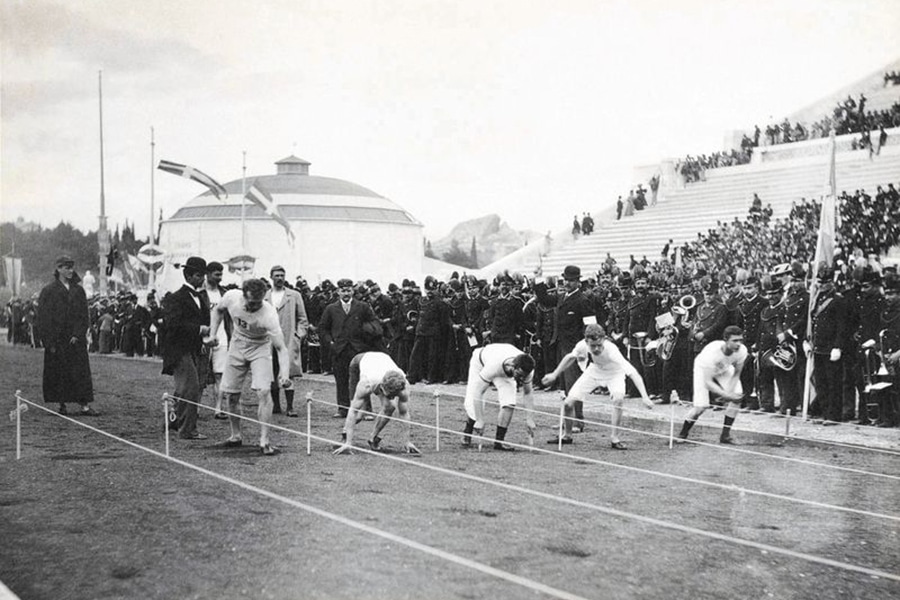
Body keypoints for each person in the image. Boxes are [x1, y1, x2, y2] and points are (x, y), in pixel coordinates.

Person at [206, 278, 291, 456]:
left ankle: (264, 440)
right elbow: (218, 311)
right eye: (251, 303)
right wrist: (213, 334)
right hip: (237, 344)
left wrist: (284, 375)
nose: (253, 307)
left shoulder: (268, 315)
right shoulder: (231, 297)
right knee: (231, 393)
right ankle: (235, 435)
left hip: (260, 347)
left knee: (264, 391)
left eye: (257, 303)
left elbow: (281, 348)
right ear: (243, 296)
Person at [543, 324, 653, 449]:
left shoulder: (612, 350)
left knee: (618, 399)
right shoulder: (581, 345)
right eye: (592, 346)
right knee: (568, 403)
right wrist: (554, 374)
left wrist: (645, 397)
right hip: (594, 371)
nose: (596, 349)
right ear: (586, 341)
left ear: (604, 339)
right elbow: (570, 357)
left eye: (599, 345)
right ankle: (567, 435)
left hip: (615, 374)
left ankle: (614, 438)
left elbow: (634, 374)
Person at [36, 255, 97, 416]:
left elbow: (84, 315)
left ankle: (84, 405)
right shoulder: (49, 291)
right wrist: (50, 341)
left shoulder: (78, 290)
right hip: (58, 340)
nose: (70, 271)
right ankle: (62, 404)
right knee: (59, 372)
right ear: (58, 269)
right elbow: (43, 317)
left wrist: (78, 334)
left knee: (80, 372)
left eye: (71, 268)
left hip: (76, 340)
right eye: (66, 268)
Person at [317, 278, 383, 418]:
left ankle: (366, 411)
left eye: (348, 290)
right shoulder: (331, 309)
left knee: (363, 380)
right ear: (338, 291)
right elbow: (323, 328)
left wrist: (367, 331)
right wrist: (330, 342)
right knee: (341, 379)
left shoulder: (362, 306)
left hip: (358, 349)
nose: (346, 293)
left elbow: (374, 322)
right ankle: (343, 409)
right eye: (343, 290)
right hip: (339, 349)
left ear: (353, 290)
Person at [332, 352, 420, 455]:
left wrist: (407, 441)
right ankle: (345, 435)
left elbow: (404, 413)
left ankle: (373, 438)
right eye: (390, 395)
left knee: (390, 407)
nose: (392, 398)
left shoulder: (404, 387)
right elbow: (353, 410)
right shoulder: (366, 384)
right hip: (358, 362)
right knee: (360, 414)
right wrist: (349, 443)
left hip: (382, 360)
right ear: (382, 387)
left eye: (394, 395)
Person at [161, 256, 210, 439]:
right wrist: (199, 329)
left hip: (194, 348)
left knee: (184, 388)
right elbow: (172, 325)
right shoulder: (176, 298)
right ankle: (187, 430)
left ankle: (173, 421)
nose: (202, 279)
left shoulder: (200, 297)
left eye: (203, 275)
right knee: (191, 388)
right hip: (178, 349)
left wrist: (204, 340)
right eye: (198, 275)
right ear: (188, 276)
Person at [676, 325, 749, 444]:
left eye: (740, 340)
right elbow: (708, 382)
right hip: (703, 369)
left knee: (737, 396)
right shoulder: (711, 352)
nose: (738, 344)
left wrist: (728, 394)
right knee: (701, 406)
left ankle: (725, 435)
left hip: (724, 368)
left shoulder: (742, 351)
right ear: (725, 340)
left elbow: (736, 374)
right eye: (735, 340)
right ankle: (683, 433)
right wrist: (725, 395)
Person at [461, 343, 536, 451]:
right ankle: (468, 432)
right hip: (480, 362)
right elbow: (478, 392)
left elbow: (528, 393)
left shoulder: (528, 370)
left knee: (509, 403)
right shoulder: (494, 365)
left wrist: (530, 419)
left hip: (504, 369)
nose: (521, 379)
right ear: (512, 366)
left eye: (523, 376)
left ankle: (499, 442)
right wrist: (480, 420)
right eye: (519, 375)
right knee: (472, 400)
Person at [265, 265, 309, 417]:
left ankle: (290, 406)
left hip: (288, 338)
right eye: (276, 275)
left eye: (282, 275)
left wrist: (298, 335)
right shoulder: (265, 296)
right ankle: (275, 405)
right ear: (271, 277)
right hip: (268, 339)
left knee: (288, 372)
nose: (279, 278)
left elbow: (303, 319)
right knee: (271, 371)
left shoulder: (294, 295)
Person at [203, 261, 231, 419]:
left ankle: (219, 408)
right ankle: (195, 408)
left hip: (222, 337)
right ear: (208, 274)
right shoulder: (200, 292)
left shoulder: (224, 293)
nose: (220, 278)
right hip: (204, 337)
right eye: (216, 274)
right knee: (200, 374)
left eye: (221, 274)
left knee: (220, 374)